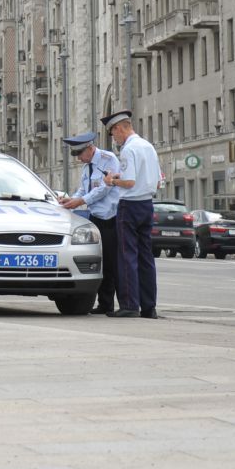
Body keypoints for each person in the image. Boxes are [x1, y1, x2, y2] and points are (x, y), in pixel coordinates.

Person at [98, 110, 161, 319]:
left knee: (126, 256)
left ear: (120, 128)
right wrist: (121, 175)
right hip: (147, 204)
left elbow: (130, 182)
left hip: (130, 206)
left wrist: (112, 181)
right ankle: (149, 306)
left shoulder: (128, 150)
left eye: (113, 133)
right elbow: (158, 180)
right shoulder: (148, 146)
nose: (114, 138)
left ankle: (129, 304)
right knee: (146, 257)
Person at [58, 131, 122, 315]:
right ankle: (105, 303)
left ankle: (121, 303)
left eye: (80, 154)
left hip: (111, 217)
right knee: (100, 262)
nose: (78, 159)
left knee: (113, 263)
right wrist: (71, 200)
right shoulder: (87, 167)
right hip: (96, 218)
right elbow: (83, 188)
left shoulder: (107, 159)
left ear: (90, 148)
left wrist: (82, 201)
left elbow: (105, 188)